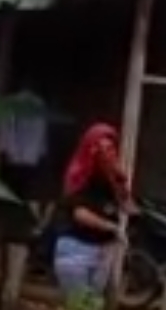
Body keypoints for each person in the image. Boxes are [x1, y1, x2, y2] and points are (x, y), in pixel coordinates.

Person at [53, 122, 131, 298]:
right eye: (103, 148)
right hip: (77, 248)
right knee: (80, 307)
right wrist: (111, 227)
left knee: (93, 309)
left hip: (103, 250)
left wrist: (120, 182)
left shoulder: (110, 179)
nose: (108, 153)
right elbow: (80, 214)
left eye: (111, 148)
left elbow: (127, 206)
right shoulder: (79, 174)